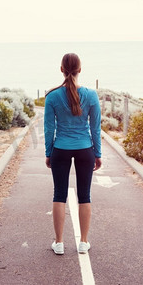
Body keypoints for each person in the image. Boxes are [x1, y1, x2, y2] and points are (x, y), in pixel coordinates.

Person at [44, 53, 102, 255]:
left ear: (61, 69)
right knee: (84, 196)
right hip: (85, 149)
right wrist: (97, 153)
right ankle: (83, 243)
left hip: (61, 148)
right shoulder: (91, 95)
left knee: (59, 194)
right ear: (80, 69)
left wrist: (49, 153)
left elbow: (49, 129)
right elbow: (95, 128)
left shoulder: (52, 96)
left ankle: (59, 243)